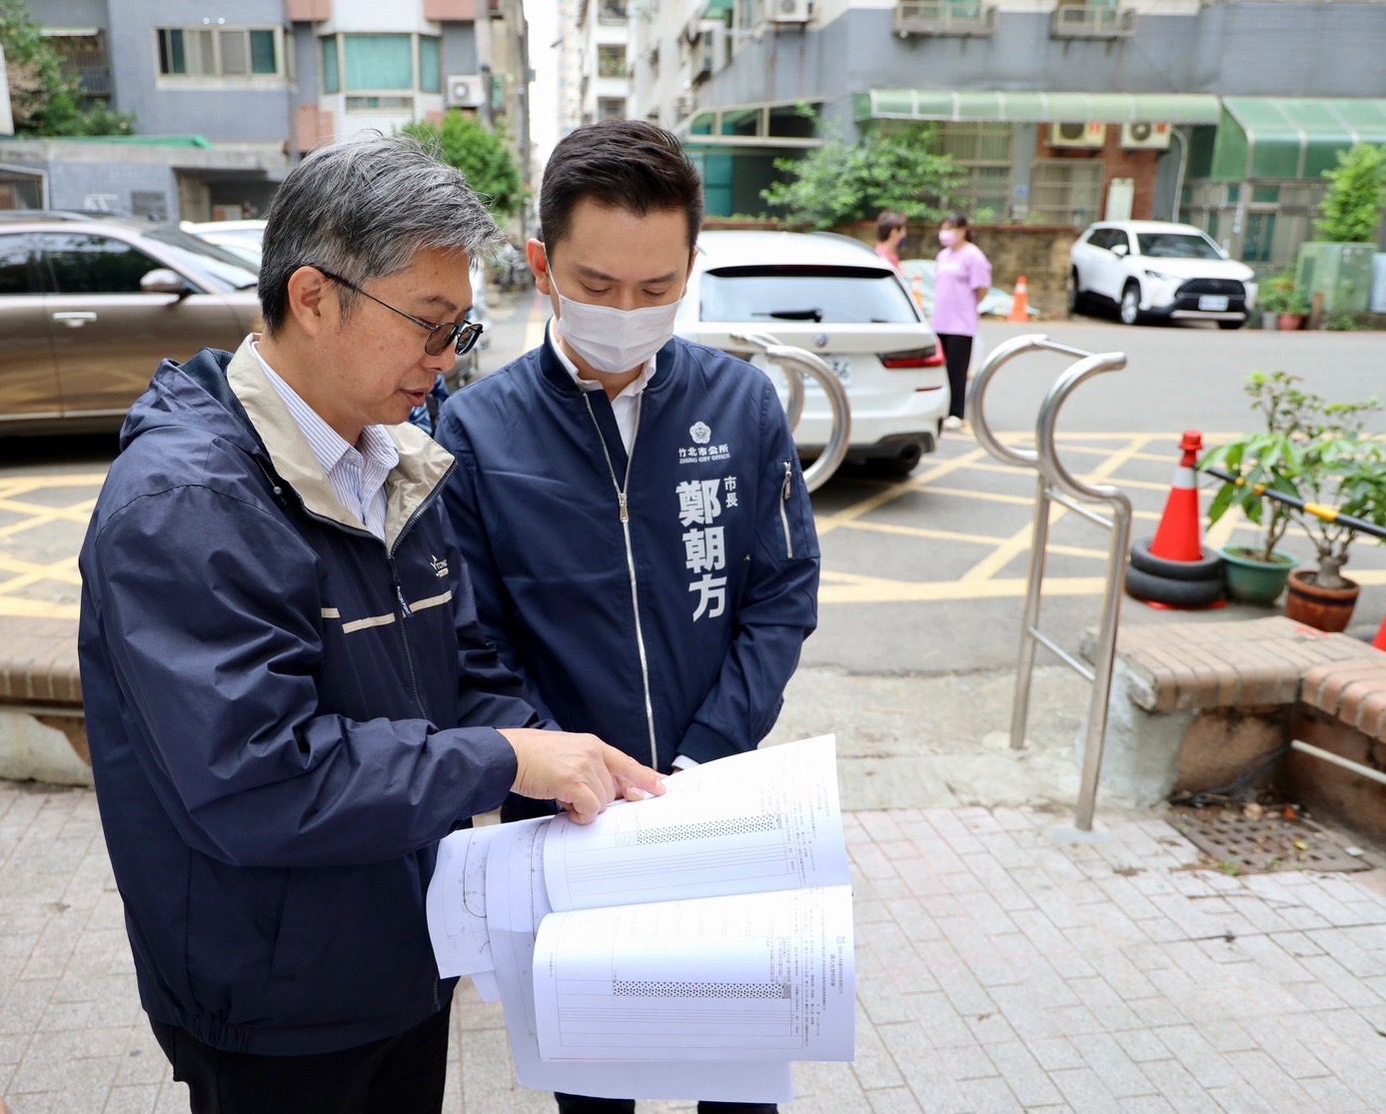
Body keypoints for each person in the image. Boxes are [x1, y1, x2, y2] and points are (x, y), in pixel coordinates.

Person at [77, 134, 664, 1114]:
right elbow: (261, 777)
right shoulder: (186, 502)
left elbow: (459, 661)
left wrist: (560, 752)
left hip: (402, 952)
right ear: (313, 297)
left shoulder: (391, 453)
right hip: (275, 997)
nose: (445, 362)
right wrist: (504, 759)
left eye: (462, 333)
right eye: (429, 327)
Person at [434, 118, 820, 1114]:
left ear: (692, 266)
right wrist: (559, 766)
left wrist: (702, 759)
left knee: (737, 1087)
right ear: (541, 264)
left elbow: (781, 592)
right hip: (568, 830)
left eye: (656, 290)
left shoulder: (741, 405)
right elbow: (469, 640)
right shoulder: (477, 432)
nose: (626, 312)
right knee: (595, 1091)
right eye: (598, 287)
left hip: (721, 813)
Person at [930, 213, 992, 431]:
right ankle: (942, 408)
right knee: (942, 369)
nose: (946, 233)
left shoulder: (973, 255)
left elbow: (982, 288)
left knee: (958, 370)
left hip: (961, 323)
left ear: (964, 230)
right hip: (941, 321)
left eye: (951, 228)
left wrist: (967, 307)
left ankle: (957, 412)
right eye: (944, 227)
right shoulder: (943, 256)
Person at [873, 209, 907, 275]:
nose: (904, 235)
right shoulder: (882, 259)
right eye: (902, 231)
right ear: (893, 232)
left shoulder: (890, 256)